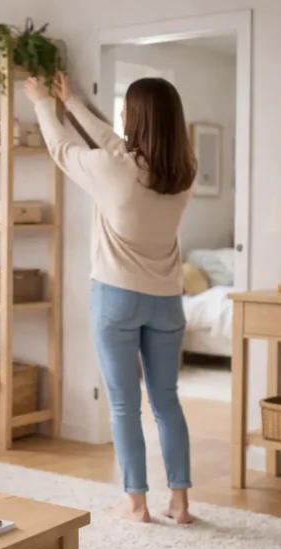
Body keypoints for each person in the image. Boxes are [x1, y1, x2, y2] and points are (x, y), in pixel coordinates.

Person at [24, 72, 196, 524]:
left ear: (134, 118)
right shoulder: (182, 174)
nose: (118, 120)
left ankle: (136, 502)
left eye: (124, 113)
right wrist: (76, 103)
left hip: (117, 298)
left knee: (123, 404)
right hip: (167, 301)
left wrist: (45, 103)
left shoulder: (111, 168)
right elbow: (120, 150)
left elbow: (62, 150)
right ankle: (179, 502)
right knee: (166, 401)